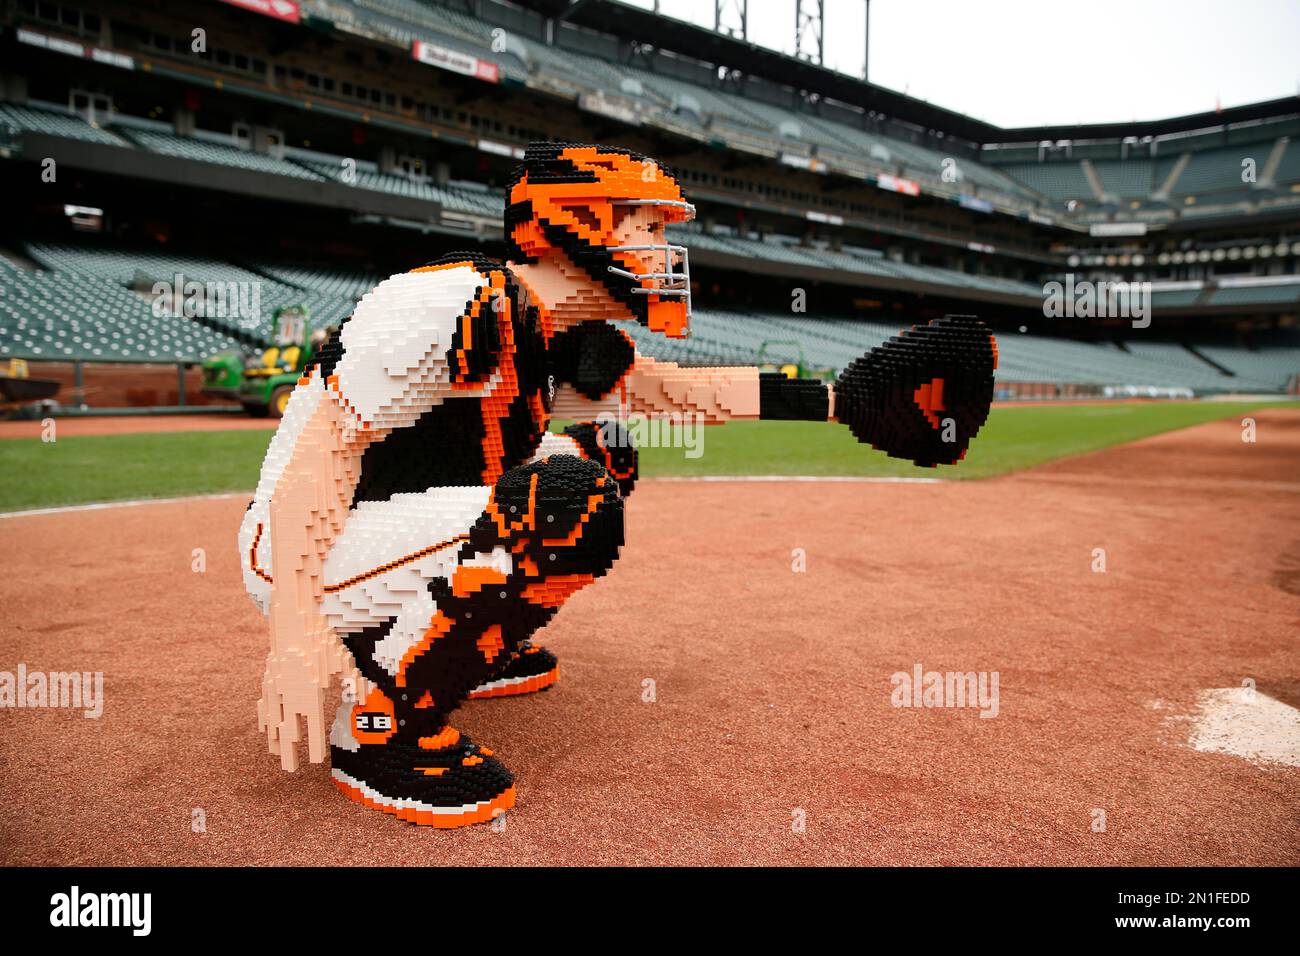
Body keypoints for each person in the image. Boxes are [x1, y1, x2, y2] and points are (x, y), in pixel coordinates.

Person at [238, 142, 997, 827]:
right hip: (305, 542)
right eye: (649, 228)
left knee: (608, 452)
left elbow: (676, 396)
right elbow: (320, 458)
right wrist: (296, 635)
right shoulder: (440, 302)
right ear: (578, 221)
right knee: (566, 506)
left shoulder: (564, 333)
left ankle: (441, 648)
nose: (665, 251)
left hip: (388, 529)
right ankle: (380, 729)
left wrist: (836, 402)